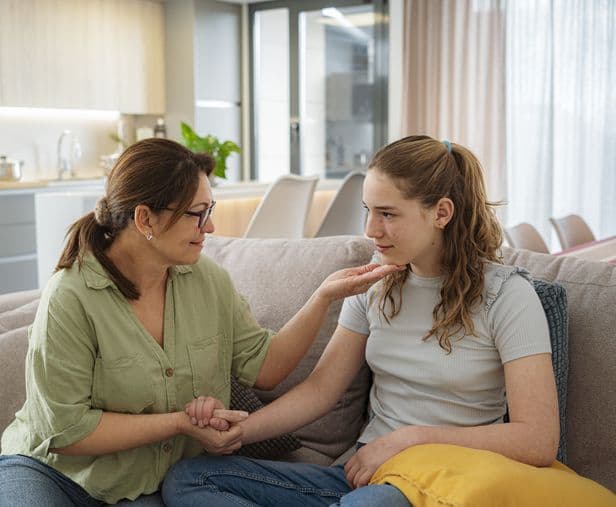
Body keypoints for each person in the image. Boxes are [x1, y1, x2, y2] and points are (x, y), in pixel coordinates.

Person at [0, 138, 403, 506]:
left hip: (139, 485)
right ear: (145, 219)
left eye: (209, 209)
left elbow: (266, 367)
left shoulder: (206, 280)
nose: (211, 226)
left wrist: (322, 296)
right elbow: (66, 431)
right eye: (197, 213)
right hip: (49, 472)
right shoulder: (70, 296)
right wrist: (181, 422)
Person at [162, 135, 559, 507]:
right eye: (369, 211)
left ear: (441, 213)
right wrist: (240, 432)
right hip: (362, 478)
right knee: (189, 479)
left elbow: (538, 439)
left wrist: (410, 440)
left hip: (444, 484)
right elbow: (320, 390)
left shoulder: (507, 296)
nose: (371, 231)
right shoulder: (375, 282)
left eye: (387, 214)